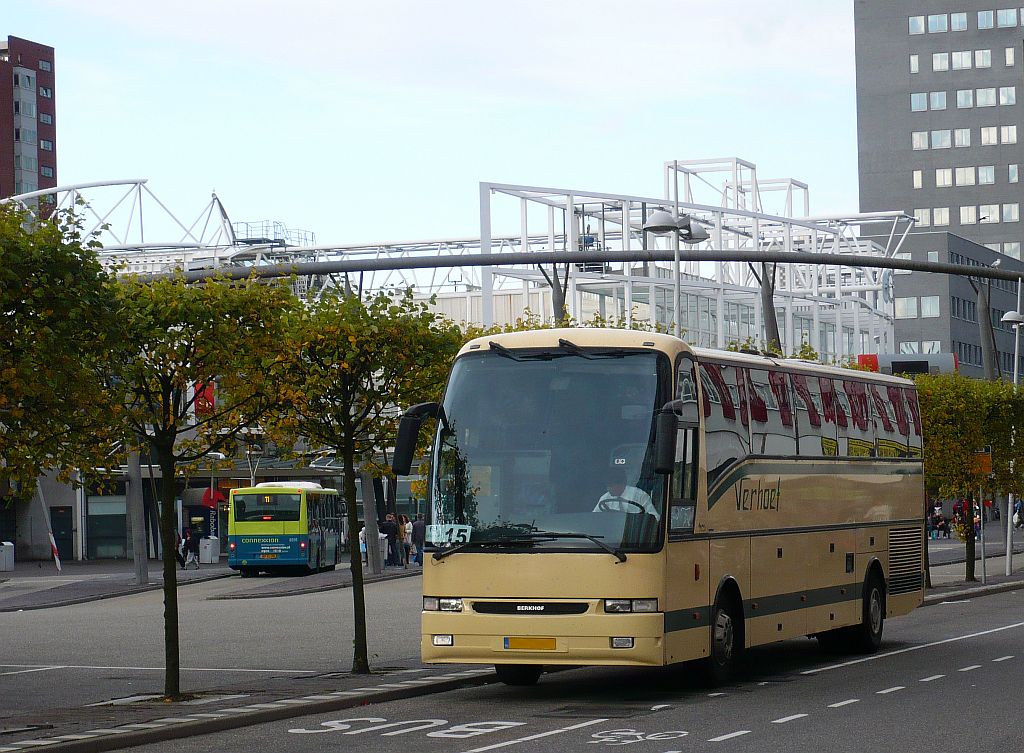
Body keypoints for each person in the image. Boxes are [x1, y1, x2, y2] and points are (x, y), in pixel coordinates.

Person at [593, 468, 659, 519]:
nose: (608, 489)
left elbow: (655, 517)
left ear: (621, 484)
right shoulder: (605, 498)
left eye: (611, 486)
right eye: (607, 486)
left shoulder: (640, 496)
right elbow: (595, 517)